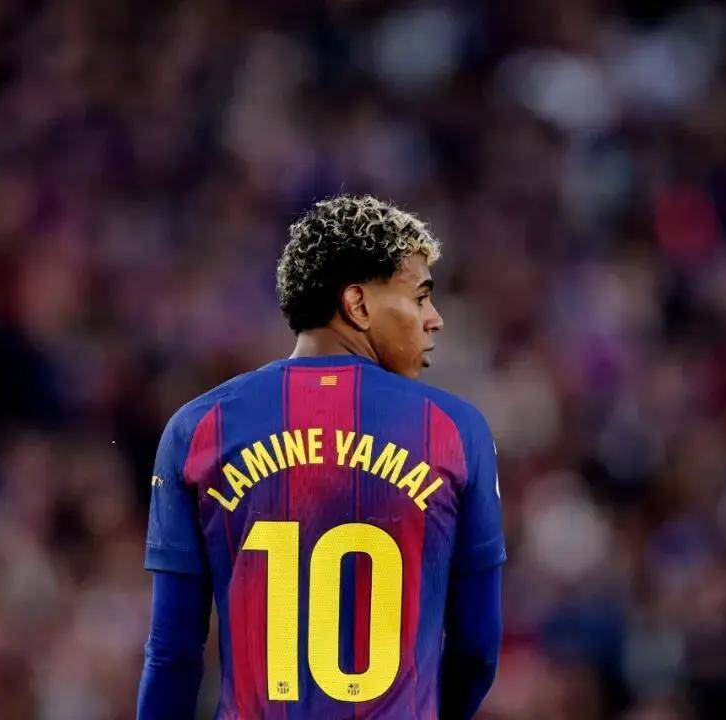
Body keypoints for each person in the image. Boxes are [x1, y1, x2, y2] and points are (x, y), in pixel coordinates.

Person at [137, 195, 505, 719]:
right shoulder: (454, 430)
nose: (435, 319)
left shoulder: (197, 429)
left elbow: (173, 653)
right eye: (421, 297)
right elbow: (476, 648)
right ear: (358, 305)